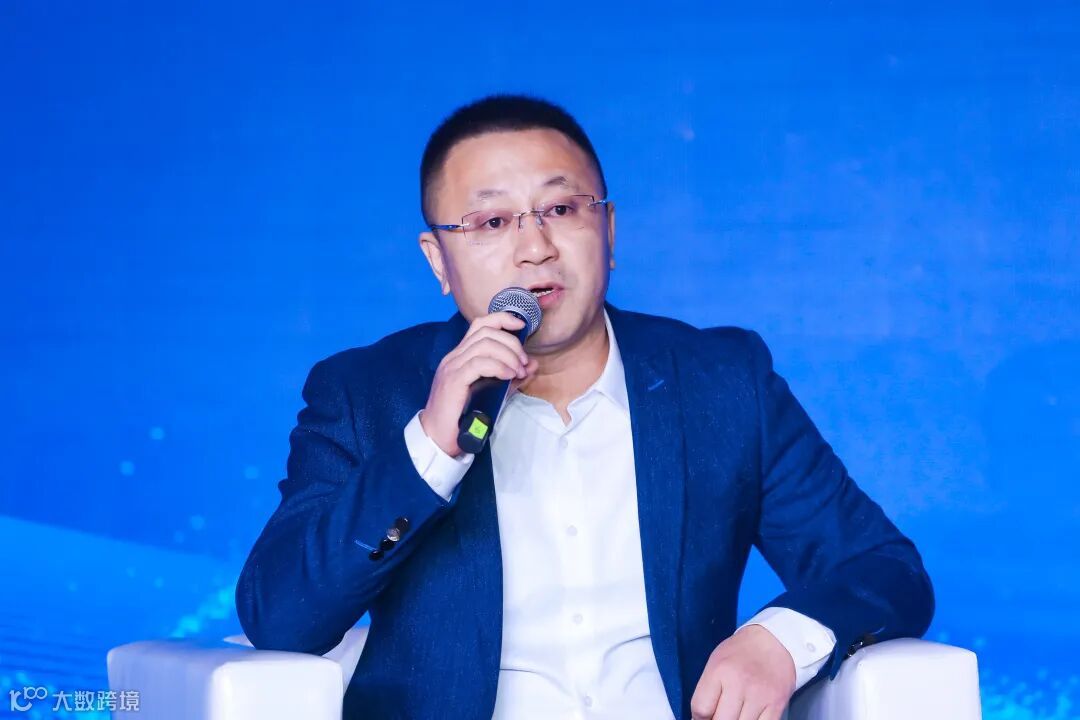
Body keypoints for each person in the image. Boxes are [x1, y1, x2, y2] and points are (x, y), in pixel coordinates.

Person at [235, 95, 934, 720]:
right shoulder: (365, 391)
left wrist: (778, 640)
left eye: (563, 210)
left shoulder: (721, 381)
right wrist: (428, 450)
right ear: (438, 261)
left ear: (609, 231)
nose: (535, 248)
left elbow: (884, 567)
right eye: (491, 221)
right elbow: (281, 617)